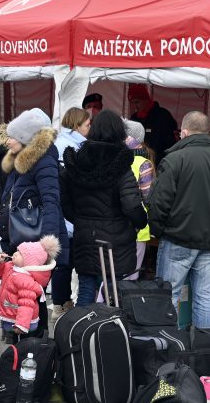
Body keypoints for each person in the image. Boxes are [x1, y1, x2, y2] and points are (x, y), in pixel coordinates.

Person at [147, 111, 210, 329]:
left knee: (168, 296)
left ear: (184, 132)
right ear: (208, 133)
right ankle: (204, 352)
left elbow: (158, 202)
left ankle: (168, 349)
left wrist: (158, 231)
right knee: (205, 299)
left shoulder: (173, 160)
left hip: (177, 238)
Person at [61, 110, 147, 306]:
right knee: (112, 295)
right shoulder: (122, 165)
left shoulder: (76, 162)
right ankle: (108, 334)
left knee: (86, 290)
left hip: (84, 234)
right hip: (115, 239)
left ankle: (81, 334)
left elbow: (64, 201)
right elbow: (132, 204)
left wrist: (81, 219)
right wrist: (140, 222)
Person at [0, 108, 69, 335]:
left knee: (33, 296)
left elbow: (51, 203)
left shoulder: (43, 161)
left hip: (35, 245)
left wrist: (45, 246)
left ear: (27, 139)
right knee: (22, 294)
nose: (8, 141)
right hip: (22, 241)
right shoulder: (21, 161)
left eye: (13, 137)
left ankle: (37, 348)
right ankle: (25, 345)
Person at [50, 107, 91, 326]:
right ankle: (62, 305)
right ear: (76, 125)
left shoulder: (60, 142)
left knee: (63, 262)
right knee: (68, 262)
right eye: (87, 125)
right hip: (70, 215)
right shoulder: (73, 147)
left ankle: (61, 303)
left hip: (62, 213)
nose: (89, 129)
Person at [0, 235, 60, 342]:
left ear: (29, 262)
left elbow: (26, 304)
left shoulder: (26, 280)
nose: (15, 253)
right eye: (17, 251)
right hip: (12, 315)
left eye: (20, 254)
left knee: (25, 344)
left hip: (22, 322)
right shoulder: (11, 266)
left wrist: (21, 325)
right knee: (16, 344)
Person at [124, 119, 154, 280]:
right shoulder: (143, 163)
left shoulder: (115, 158)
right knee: (131, 276)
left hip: (115, 225)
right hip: (138, 227)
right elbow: (149, 197)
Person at [127, 83, 178, 164]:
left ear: (146, 99)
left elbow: (172, 144)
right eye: (132, 103)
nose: (135, 106)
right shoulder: (134, 119)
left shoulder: (163, 116)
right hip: (138, 165)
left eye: (137, 102)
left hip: (159, 165)